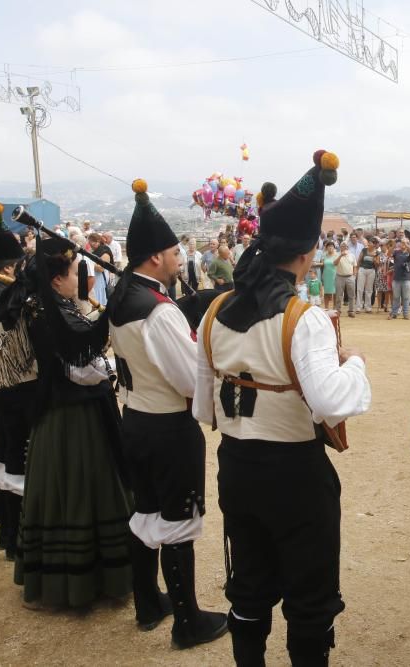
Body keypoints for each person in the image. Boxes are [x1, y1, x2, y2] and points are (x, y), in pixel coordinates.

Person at [194, 151, 372, 666]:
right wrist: (354, 363)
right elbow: (332, 400)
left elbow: (202, 403)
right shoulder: (304, 318)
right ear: (308, 252)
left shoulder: (214, 310)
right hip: (295, 473)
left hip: (237, 466)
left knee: (248, 582)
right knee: (309, 595)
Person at [106, 179, 228, 649]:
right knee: (176, 521)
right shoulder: (158, 310)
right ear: (156, 257)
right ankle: (187, 622)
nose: (180, 260)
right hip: (167, 427)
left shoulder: (122, 296)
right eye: (175, 253)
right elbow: (189, 380)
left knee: (145, 514)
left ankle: (147, 602)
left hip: (135, 419)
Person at [8, 235, 133, 610]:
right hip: (73, 420)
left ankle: (83, 578)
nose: (85, 278)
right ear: (56, 280)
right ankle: (82, 581)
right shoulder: (49, 313)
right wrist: (114, 368)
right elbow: (80, 370)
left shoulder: (56, 307)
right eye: (79, 272)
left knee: (67, 494)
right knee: (80, 492)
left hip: (68, 415)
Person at [0, 204, 38, 559]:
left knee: (5, 454)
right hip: (21, 387)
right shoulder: (10, 302)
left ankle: (7, 532)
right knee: (18, 461)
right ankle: (17, 538)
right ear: (10, 267)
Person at [391, 234, 410, 320]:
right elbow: (389, 253)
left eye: (405, 243)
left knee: (406, 297)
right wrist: (394, 245)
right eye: (402, 243)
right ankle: (394, 313)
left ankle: (406, 314)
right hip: (396, 278)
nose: (403, 244)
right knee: (396, 297)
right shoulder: (396, 252)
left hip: (406, 278)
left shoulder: (409, 253)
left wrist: (407, 245)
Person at [333, 241, 357, 318]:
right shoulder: (336, 254)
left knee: (351, 295)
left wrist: (354, 275)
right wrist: (340, 256)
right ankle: (338, 310)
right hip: (340, 276)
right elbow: (334, 263)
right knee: (339, 295)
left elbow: (355, 266)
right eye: (342, 245)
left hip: (350, 277)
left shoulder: (352, 255)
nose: (344, 247)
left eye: (345, 246)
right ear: (340, 247)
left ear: (347, 247)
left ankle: (351, 310)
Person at [355, 237, 376, 314]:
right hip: (362, 269)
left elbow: (377, 264)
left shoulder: (376, 252)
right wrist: (357, 270)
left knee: (369, 289)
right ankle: (358, 307)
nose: (369, 244)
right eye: (369, 242)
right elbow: (359, 260)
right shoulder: (364, 250)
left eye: (371, 243)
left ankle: (368, 307)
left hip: (371, 270)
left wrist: (374, 257)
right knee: (360, 288)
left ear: (374, 244)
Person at [321, 241, 337, 309]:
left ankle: (335, 307)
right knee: (326, 292)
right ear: (326, 248)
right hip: (326, 275)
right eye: (328, 246)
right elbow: (322, 264)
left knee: (335, 292)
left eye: (332, 246)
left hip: (335, 275)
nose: (330, 247)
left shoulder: (337, 255)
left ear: (334, 247)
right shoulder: (324, 255)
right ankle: (326, 307)